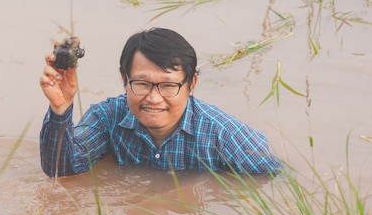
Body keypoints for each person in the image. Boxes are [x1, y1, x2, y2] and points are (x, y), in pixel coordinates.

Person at [38, 27, 282, 177]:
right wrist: (61, 109)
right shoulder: (107, 118)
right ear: (124, 79)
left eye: (168, 85)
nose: (154, 98)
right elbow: (61, 170)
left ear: (191, 84)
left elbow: (278, 179)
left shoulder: (223, 134)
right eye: (142, 84)